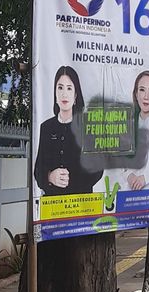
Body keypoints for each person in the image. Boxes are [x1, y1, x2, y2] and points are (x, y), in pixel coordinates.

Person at [34, 66, 102, 196]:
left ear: (76, 95)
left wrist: (71, 179)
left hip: (81, 204)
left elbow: (97, 170)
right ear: (55, 92)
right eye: (60, 88)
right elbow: (38, 170)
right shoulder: (46, 127)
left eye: (69, 88)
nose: (64, 93)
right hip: (53, 205)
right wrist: (50, 177)